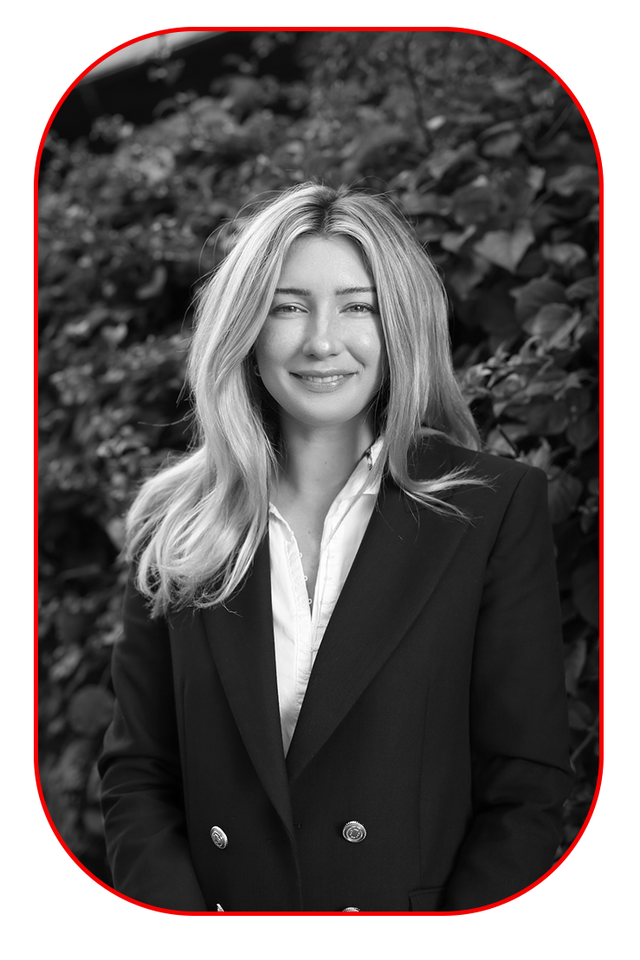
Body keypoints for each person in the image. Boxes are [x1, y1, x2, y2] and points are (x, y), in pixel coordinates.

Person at [98, 182, 572, 913]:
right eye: (289, 306)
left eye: (359, 306)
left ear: (401, 325)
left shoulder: (490, 507)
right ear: (247, 328)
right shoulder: (178, 523)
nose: (322, 340)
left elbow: (525, 788)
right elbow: (139, 775)